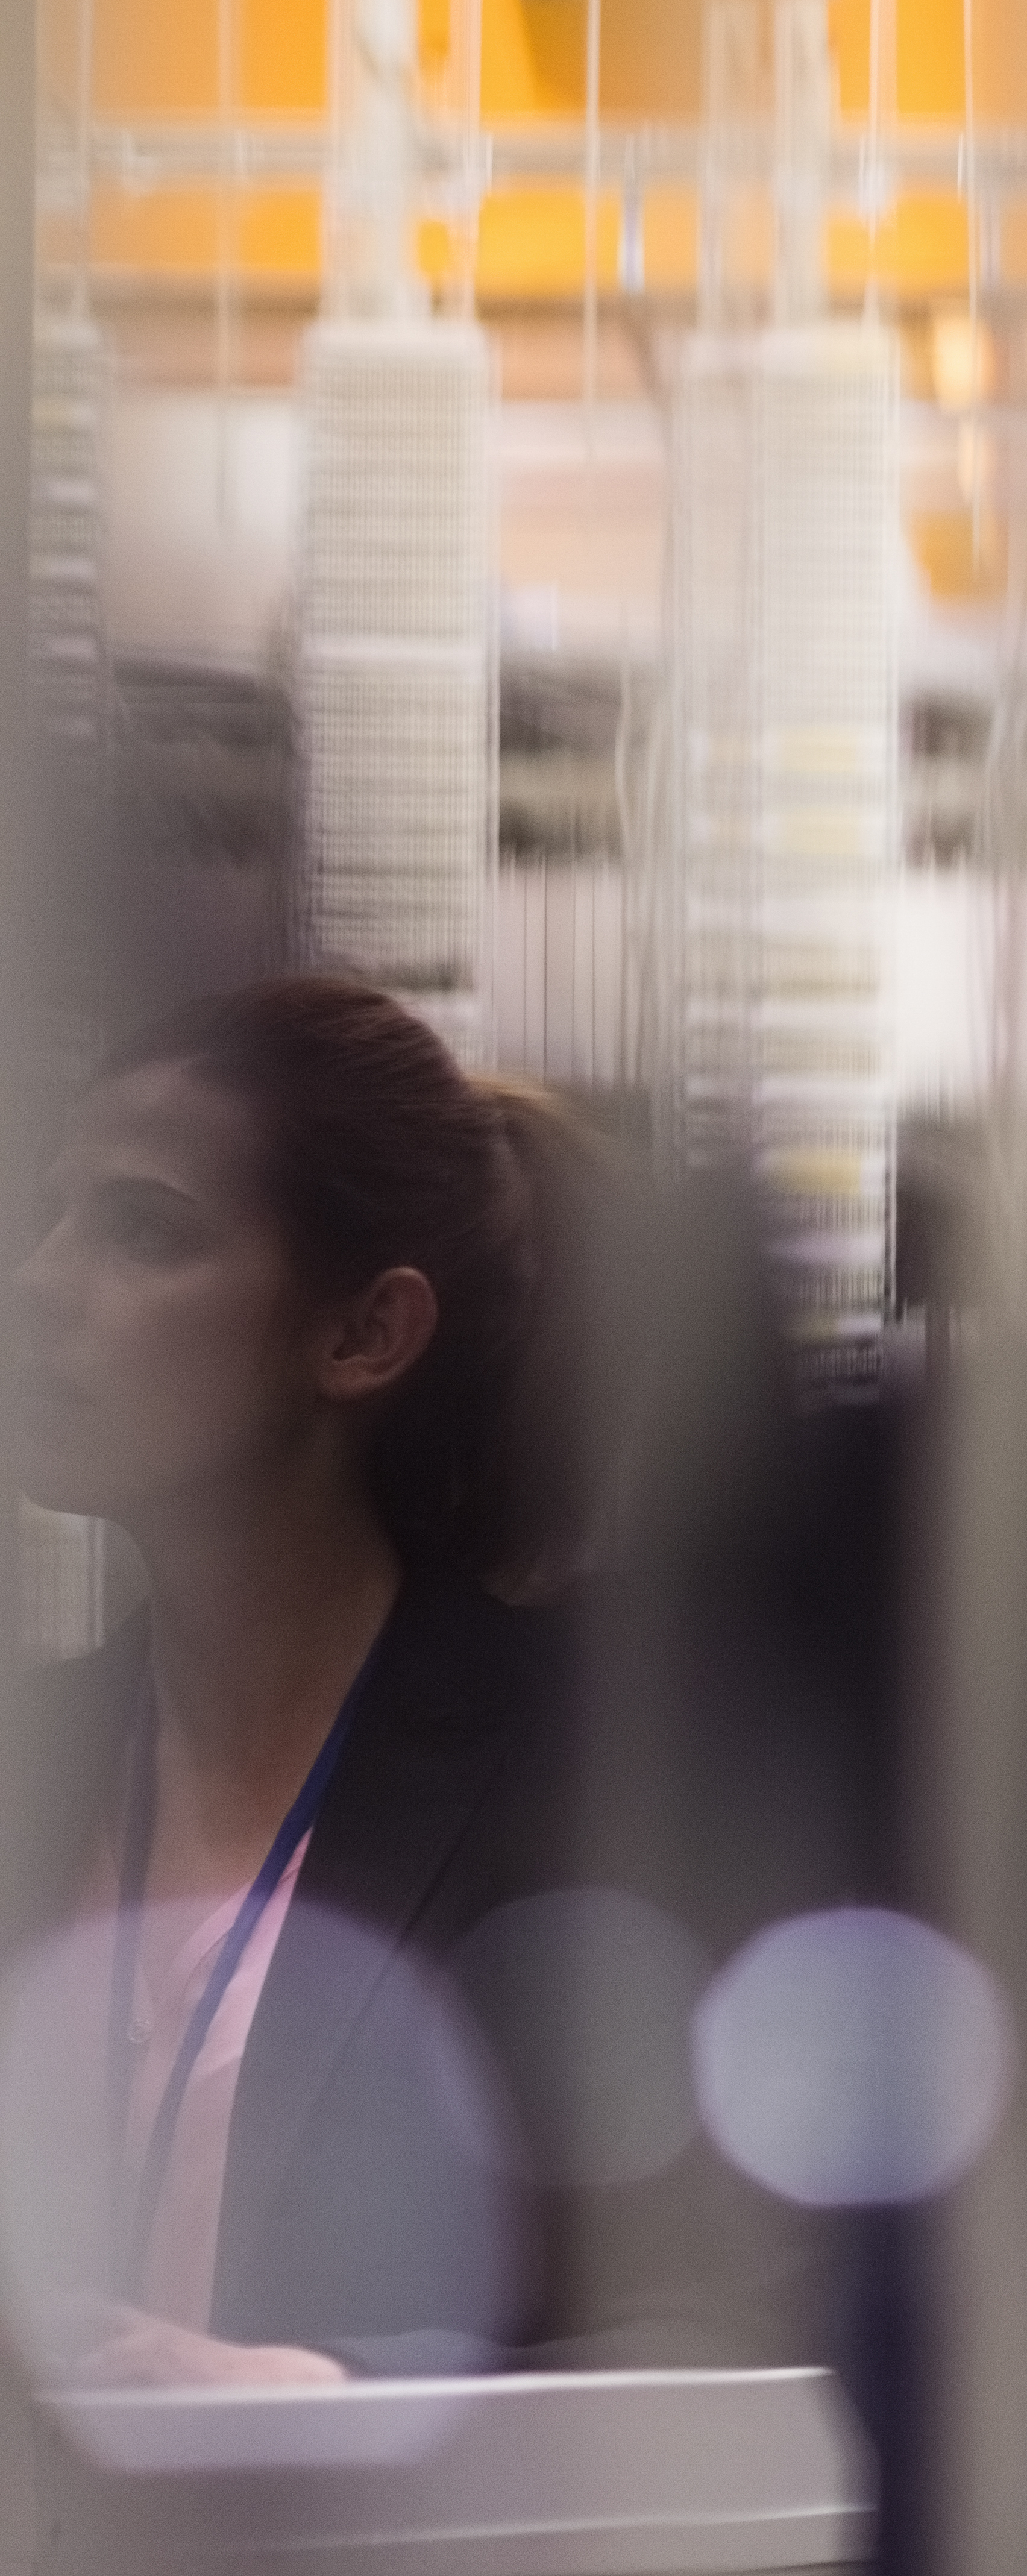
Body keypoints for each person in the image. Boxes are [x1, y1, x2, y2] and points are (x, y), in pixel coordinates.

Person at [1, 973, 591, 2389]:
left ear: (364, 1334)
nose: (35, 1283)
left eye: (145, 1229)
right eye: (49, 1215)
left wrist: (315, 2401)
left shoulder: (576, 1767)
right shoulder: (39, 1756)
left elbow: (717, 2334)